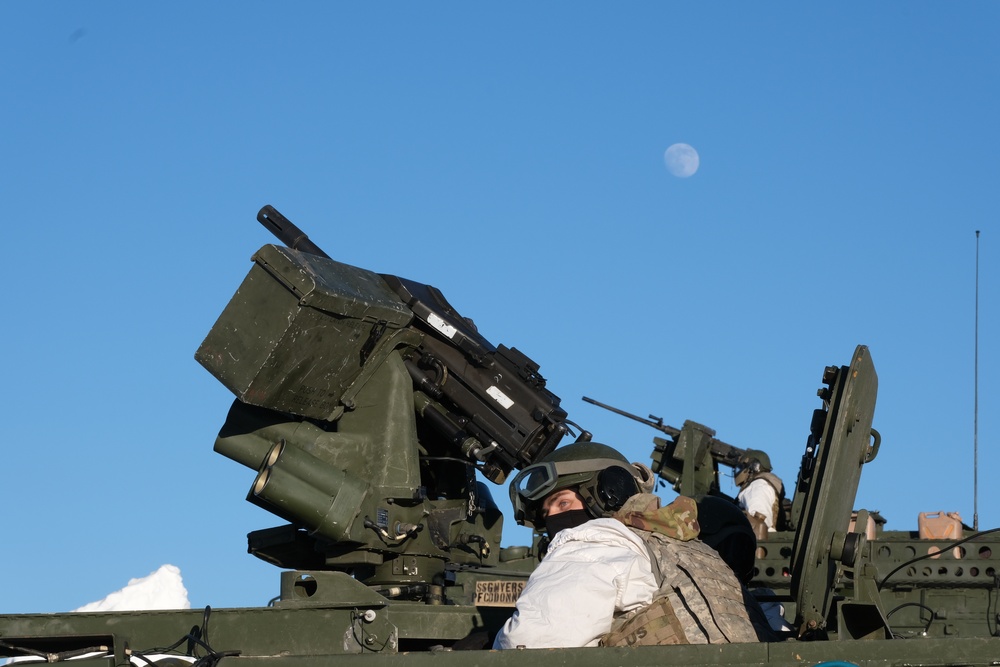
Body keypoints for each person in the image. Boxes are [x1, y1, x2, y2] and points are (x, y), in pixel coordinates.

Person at [493, 442, 757, 649]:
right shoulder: (693, 550)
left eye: (562, 503)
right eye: (546, 513)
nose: (553, 520)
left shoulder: (595, 540)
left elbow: (530, 644)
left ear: (607, 493)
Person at [734, 449, 784, 533]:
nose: (739, 471)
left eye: (742, 467)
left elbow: (758, 522)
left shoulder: (757, 486)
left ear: (754, 466)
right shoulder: (763, 485)